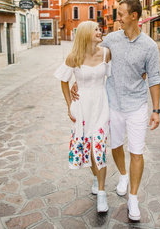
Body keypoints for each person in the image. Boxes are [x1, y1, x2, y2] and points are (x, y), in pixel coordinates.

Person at [72, 0, 160, 221]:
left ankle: (133, 198)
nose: (116, 18)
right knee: (116, 147)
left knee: (137, 152)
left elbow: (155, 78)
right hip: (112, 104)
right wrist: (78, 79)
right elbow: (91, 55)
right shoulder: (111, 39)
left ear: (133, 16)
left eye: (120, 14)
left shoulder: (150, 46)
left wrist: (156, 110)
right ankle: (123, 175)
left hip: (137, 105)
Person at [54, 21, 111, 213]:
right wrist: (70, 103)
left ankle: (102, 194)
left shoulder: (106, 53)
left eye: (99, 29)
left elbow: (113, 78)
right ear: (86, 34)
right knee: (87, 144)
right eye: (95, 29)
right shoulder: (74, 56)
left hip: (102, 105)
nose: (99, 31)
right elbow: (63, 80)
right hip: (83, 107)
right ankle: (96, 177)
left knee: (99, 146)